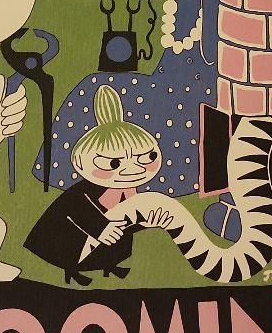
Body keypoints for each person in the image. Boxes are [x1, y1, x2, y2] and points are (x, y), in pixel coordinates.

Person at [22, 85, 169, 284]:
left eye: (146, 158)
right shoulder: (85, 191)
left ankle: (109, 265)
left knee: (119, 235)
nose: (133, 169)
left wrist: (148, 219)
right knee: (75, 243)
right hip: (72, 231)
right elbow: (79, 211)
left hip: (108, 233)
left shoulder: (129, 190)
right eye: (114, 163)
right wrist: (101, 228)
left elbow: (134, 216)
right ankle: (72, 271)